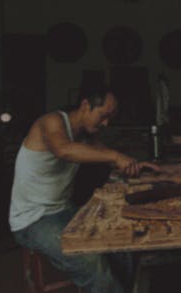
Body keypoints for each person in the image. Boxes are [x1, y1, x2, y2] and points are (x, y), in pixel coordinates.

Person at [9, 81, 159, 293]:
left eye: (110, 118)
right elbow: (64, 150)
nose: (106, 123)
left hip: (63, 210)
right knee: (91, 262)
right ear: (86, 105)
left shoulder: (86, 135)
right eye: (103, 115)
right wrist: (116, 156)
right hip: (33, 219)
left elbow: (107, 156)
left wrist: (134, 164)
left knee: (121, 241)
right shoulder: (51, 122)